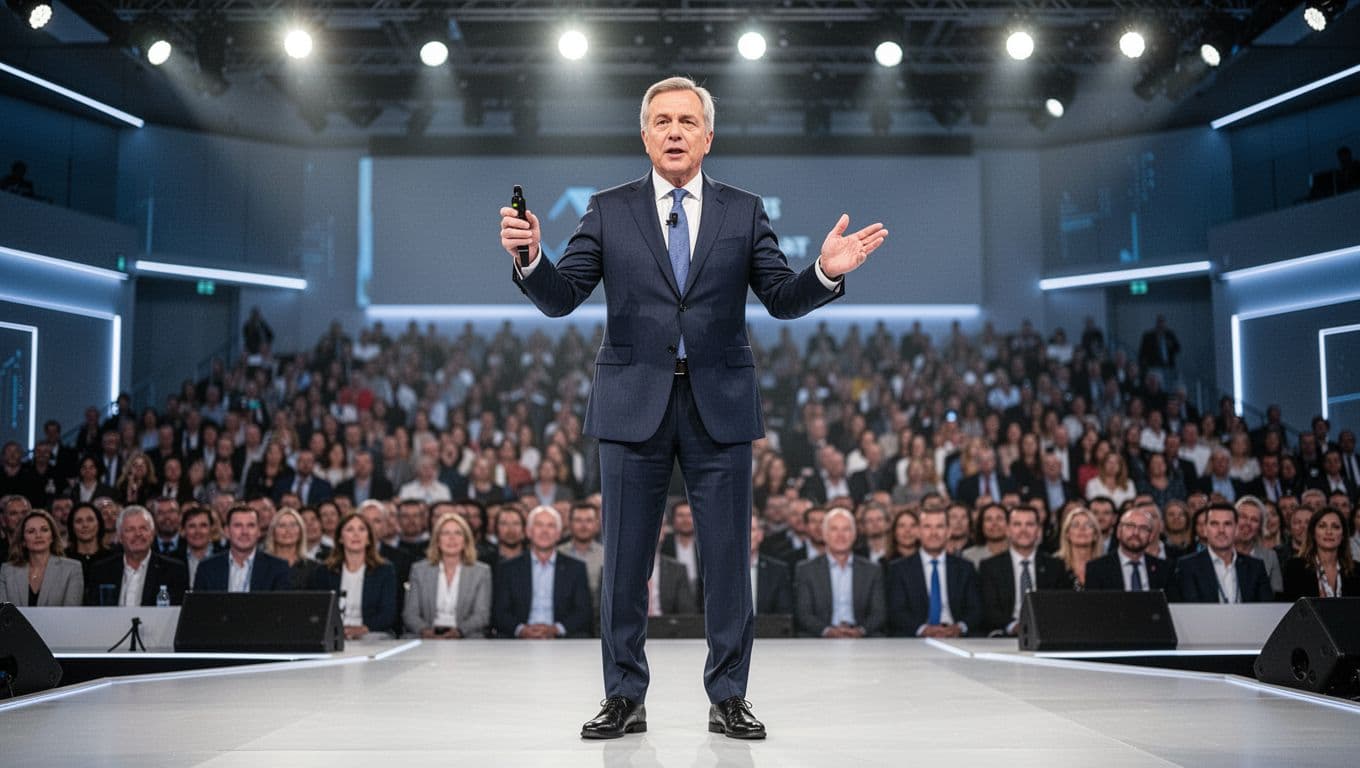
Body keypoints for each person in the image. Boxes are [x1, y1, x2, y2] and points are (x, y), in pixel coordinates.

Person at [501, 76, 886, 741]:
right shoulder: (608, 208)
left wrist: (824, 271)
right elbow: (563, 295)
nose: (674, 131)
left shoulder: (744, 209)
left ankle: (729, 697)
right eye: (662, 121)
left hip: (720, 403)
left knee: (728, 562)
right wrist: (532, 256)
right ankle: (623, 697)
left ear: (709, 136)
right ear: (644, 136)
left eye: (686, 121)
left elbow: (779, 296)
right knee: (624, 564)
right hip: (631, 403)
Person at [491, 505, 592, 640]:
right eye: (539, 525)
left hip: (562, 640)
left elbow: (583, 611)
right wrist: (522, 630)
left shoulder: (576, 568)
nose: (545, 531)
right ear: (528, 531)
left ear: (558, 534)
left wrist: (556, 629)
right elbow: (500, 612)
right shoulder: (508, 568)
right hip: (518, 640)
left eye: (551, 526)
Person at [883, 505, 982, 638]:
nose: (933, 533)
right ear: (918, 532)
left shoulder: (965, 568)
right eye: (927, 527)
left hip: (957, 638)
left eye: (939, 527)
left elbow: (976, 609)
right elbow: (896, 611)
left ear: (948, 532)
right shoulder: (899, 569)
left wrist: (960, 627)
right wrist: (923, 629)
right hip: (914, 640)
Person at [978, 506, 1071, 636]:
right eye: (1017, 524)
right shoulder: (990, 567)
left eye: (1029, 524)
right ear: (1008, 530)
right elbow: (989, 609)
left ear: (1038, 531)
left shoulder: (1055, 566)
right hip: (1004, 635)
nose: (1023, 530)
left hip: (1046, 633)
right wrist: (1013, 626)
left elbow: (1060, 606)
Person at [793, 508, 885, 637]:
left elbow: (878, 613)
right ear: (824, 534)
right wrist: (828, 632)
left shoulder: (872, 570)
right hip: (820, 639)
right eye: (834, 529)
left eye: (846, 529)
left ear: (854, 534)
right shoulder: (806, 569)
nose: (840, 535)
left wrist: (860, 631)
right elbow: (803, 613)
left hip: (862, 639)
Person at [309, 512, 399, 639]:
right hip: (333, 632)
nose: (356, 534)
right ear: (340, 538)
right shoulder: (324, 571)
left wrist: (363, 629)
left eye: (362, 529)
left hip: (371, 632)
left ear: (368, 539)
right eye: (350, 529)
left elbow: (388, 614)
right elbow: (317, 611)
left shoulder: (384, 570)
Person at [403, 512, 492, 638]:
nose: (452, 538)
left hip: (464, 636)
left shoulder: (481, 571)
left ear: (465, 540)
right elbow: (410, 614)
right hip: (428, 634)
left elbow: (482, 615)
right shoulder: (419, 570)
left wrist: (459, 632)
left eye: (458, 533)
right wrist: (425, 631)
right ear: (437, 540)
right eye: (446, 533)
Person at [84, 505, 189, 606]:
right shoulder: (101, 571)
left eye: (143, 528)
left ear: (152, 534)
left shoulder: (174, 570)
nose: (138, 534)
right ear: (120, 537)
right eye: (130, 529)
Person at [1173, 502, 1273, 603]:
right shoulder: (1187, 566)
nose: (1221, 530)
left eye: (1227, 524)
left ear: (1236, 529)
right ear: (1205, 529)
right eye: (1214, 524)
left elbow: (1267, 610)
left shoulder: (1256, 567)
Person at [192, 505, 292, 592]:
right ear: (227, 531)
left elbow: (281, 612)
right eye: (238, 525)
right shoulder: (207, 568)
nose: (245, 532)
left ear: (258, 532)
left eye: (251, 526)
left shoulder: (278, 568)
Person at [1, 509, 84, 606]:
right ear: (23, 540)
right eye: (31, 531)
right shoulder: (7, 571)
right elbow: (3, 615)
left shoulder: (72, 569)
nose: (38, 535)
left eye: (44, 530)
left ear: (52, 536)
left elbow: (71, 614)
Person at [1084, 504, 1173, 592]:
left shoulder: (1164, 569)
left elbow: (1174, 605)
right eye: (1130, 526)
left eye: (1143, 528)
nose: (1136, 533)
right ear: (1119, 531)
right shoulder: (1097, 569)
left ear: (1150, 536)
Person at [1282, 507, 1360, 599]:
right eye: (1322, 526)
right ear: (1313, 533)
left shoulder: (1356, 571)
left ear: (1343, 535)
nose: (1329, 532)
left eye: (1335, 527)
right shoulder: (1295, 568)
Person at [264, 507, 322, 589]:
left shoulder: (315, 569)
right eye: (282, 525)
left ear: (301, 531)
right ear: (273, 532)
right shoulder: (262, 566)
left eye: (293, 525)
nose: (288, 530)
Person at [749, 516, 793, 616]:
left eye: (751, 530)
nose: (746, 534)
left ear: (760, 535)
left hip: (767, 630)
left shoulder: (778, 571)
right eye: (742, 529)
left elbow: (783, 615)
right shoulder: (721, 571)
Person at [1056, 505, 1102, 588]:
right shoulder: (1054, 565)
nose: (1082, 529)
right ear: (1067, 534)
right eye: (1075, 525)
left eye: (1088, 525)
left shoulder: (1106, 567)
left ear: (1095, 534)